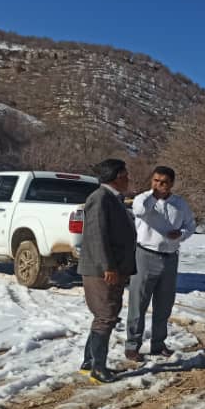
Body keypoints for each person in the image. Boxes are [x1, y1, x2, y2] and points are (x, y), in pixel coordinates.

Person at [125, 165, 196, 360]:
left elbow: (190, 225)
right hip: (145, 254)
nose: (159, 185)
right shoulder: (143, 199)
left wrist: (180, 234)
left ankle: (158, 343)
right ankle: (132, 345)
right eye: (156, 181)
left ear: (171, 184)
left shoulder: (179, 204)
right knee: (138, 303)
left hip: (170, 257)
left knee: (164, 304)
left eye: (164, 182)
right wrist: (154, 196)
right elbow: (139, 211)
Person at [77, 158, 137, 383]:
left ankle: (89, 362)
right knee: (105, 316)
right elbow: (96, 235)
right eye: (126, 174)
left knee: (104, 316)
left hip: (113, 268)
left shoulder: (113, 198)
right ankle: (98, 369)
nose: (128, 178)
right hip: (102, 270)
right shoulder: (100, 198)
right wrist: (108, 266)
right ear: (117, 176)